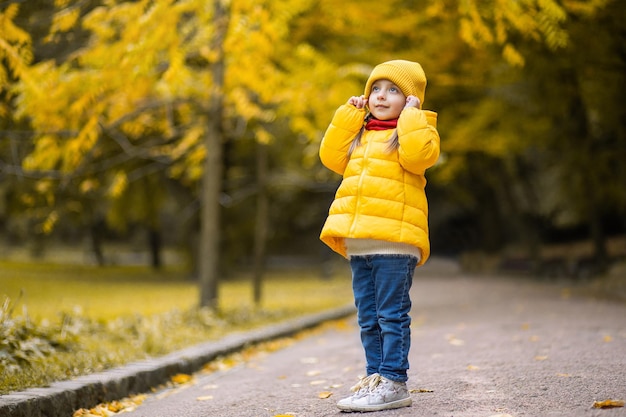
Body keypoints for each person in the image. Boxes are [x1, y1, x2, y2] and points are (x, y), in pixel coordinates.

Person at [319, 59, 440, 412]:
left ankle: (394, 381)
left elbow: (419, 158)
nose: (381, 96)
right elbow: (330, 156)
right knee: (368, 317)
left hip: (394, 242)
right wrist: (348, 115)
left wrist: (414, 117)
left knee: (391, 315)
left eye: (393, 91)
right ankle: (375, 378)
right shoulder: (361, 132)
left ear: (411, 100)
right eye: (375, 89)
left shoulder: (416, 132)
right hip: (360, 242)